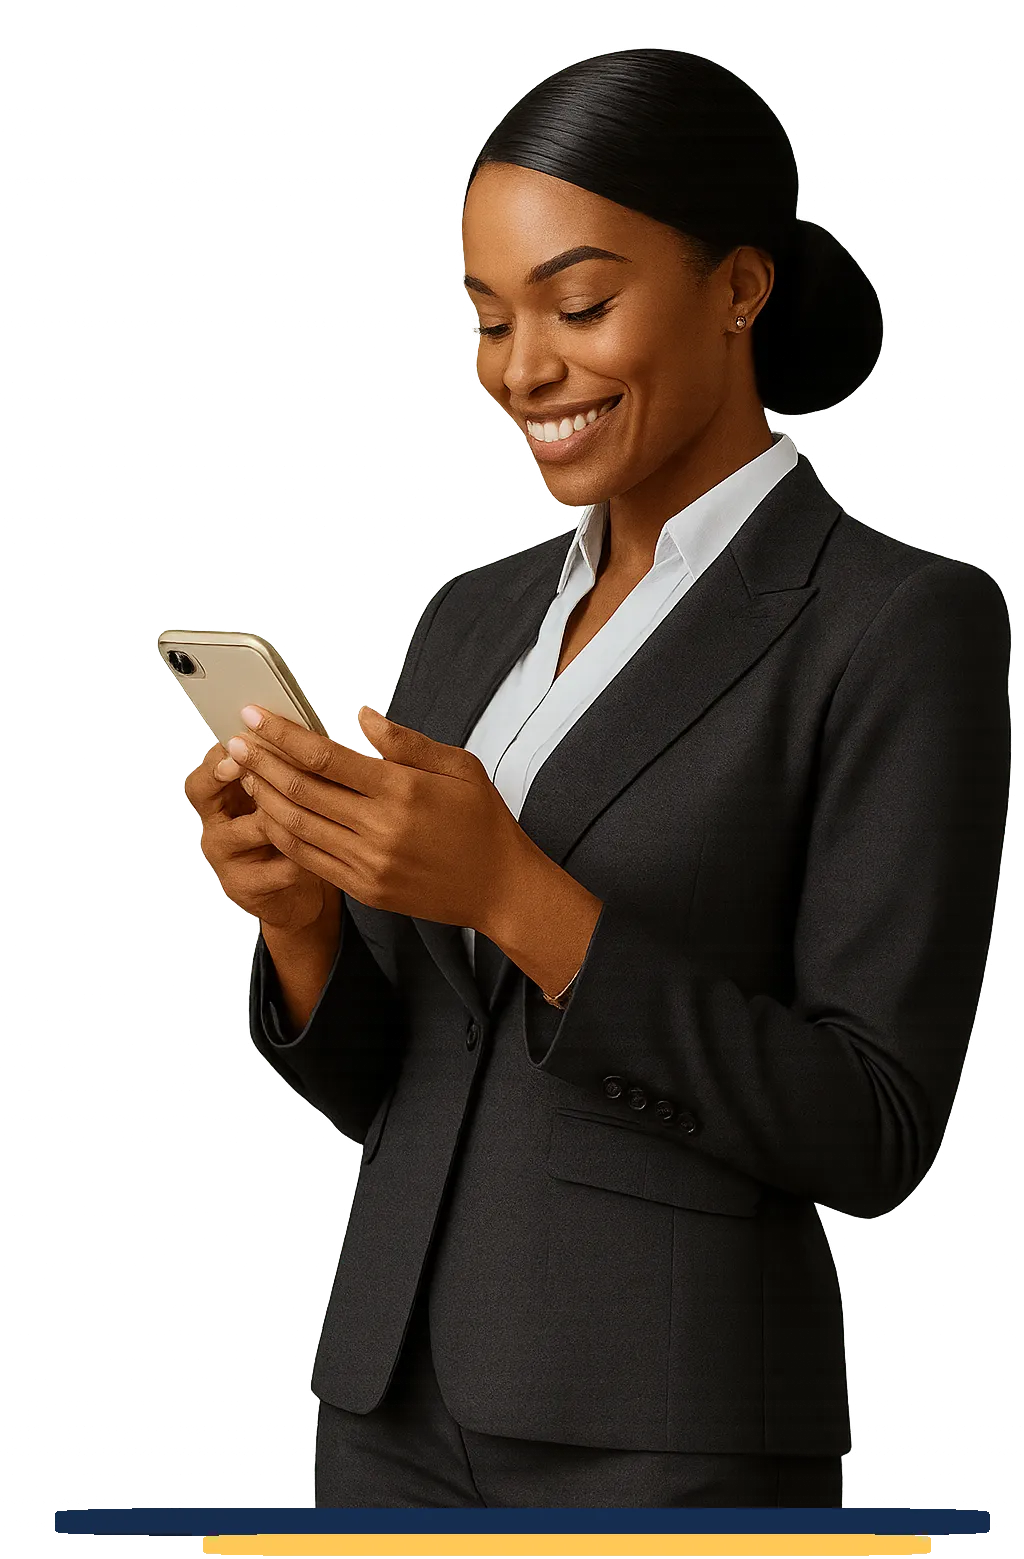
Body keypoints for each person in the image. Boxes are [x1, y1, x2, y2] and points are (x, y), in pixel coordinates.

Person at [193, 50, 1009, 1508]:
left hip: (667, 1432)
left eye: (578, 308)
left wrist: (516, 895)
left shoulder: (896, 622)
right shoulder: (470, 618)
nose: (521, 370)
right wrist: (303, 922)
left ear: (738, 288)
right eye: (487, 319)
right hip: (386, 1409)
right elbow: (409, 1085)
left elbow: (876, 1126)